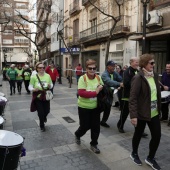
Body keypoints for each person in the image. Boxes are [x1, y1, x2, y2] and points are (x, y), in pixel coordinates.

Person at [129, 54, 161, 170]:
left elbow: (155, 94)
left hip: (154, 113)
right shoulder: (138, 78)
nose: (153, 65)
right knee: (138, 134)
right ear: (144, 64)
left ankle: (150, 158)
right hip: (141, 113)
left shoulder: (154, 76)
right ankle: (134, 153)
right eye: (151, 63)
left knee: (157, 136)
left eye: (154, 63)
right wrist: (133, 115)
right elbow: (133, 98)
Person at [75, 59, 103, 154]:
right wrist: (95, 92)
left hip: (95, 107)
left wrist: (102, 88)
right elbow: (81, 93)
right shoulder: (82, 78)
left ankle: (94, 144)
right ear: (86, 69)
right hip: (84, 107)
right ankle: (77, 134)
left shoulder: (98, 77)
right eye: (90, 68)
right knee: (85, 126)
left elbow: (101, 87)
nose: (92, 70)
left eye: (94, 68)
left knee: (96, 127)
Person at [117, 57, 139, 133]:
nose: (137, 63)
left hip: (135, 96)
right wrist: (137, 85)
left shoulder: (137, 71)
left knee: (136, 114)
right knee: (124, 113)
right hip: (126, 96)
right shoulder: (127, 71)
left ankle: (139, 130)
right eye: (136, 62)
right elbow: (126, 83)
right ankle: (120, 126)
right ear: (131, 62)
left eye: (138, 62)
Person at [29, 62, 53, 132]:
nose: (42, 69)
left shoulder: (48, 76)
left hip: (45, 94)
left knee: (47, 110)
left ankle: (44, 117)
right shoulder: (34, 77)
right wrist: (33, 89)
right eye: (40, 68)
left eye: (43, 67)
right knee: (40, 112)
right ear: (37, 69)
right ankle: (42, 125)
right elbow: (30, 86)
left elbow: (51, 84)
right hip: (37, 95)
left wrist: (50, 86)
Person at [100, 60, 123, 128]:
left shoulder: (115, 73)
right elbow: (109, 82)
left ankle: (103, 122)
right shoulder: (104, 74)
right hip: (104, 94)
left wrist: (121, 84)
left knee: (108, 108)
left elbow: (120, 79)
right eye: (112, 66)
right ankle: (93, 118)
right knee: (101, 107)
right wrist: (119, 84)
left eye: (115, 66)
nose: (114, 67)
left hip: (110, 93)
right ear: (108, 67)